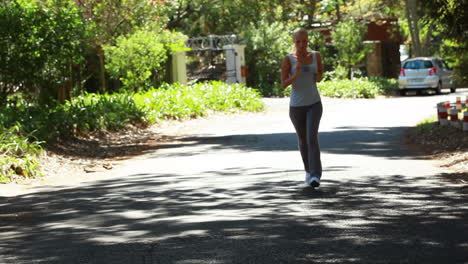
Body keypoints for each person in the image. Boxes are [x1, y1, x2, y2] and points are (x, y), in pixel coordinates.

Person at [281, 29, 323, 188]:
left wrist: (318, 76)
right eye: (298, 41)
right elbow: (283, 84)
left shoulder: (316, 56)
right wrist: (295, 76)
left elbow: (320, 75)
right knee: (303, 140)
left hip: (314, 104)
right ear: (294, 42)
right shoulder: (288, 60)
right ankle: (308, 170)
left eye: (304, 41)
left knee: (312, 137)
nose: (302, 45)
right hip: (296, 107)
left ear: (308, 41)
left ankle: (315, 175)